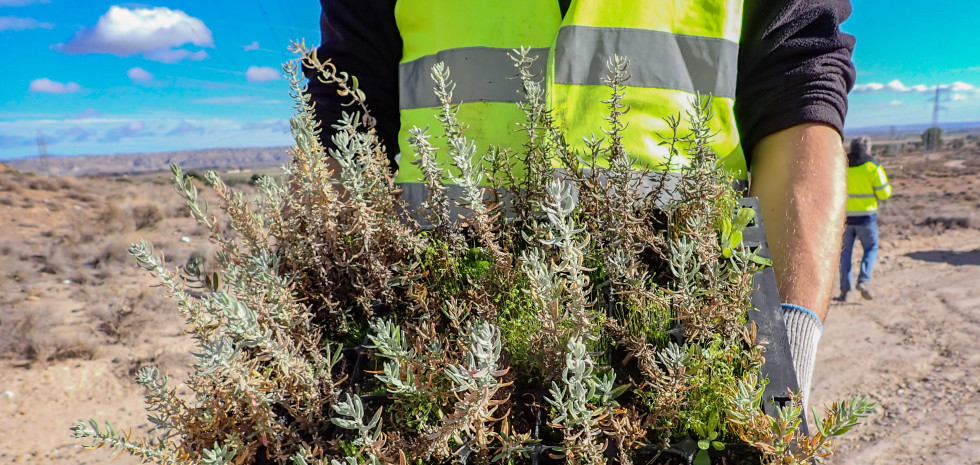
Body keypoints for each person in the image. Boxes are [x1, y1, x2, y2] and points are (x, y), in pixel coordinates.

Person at [306, 0, 856, 410]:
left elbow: (799, 84)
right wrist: (326, 326)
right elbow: (346, 115)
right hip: (445, 333)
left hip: (699, 330)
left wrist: (788, 340)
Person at [837, 137, 891, 302]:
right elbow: (885, 193)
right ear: (868, 150)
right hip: (866, 219)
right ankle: (864, 281)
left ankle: (845, 291)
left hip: (845, 218)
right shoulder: (873, 168)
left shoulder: (841, 167)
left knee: (845, 254)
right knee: (871, 248)